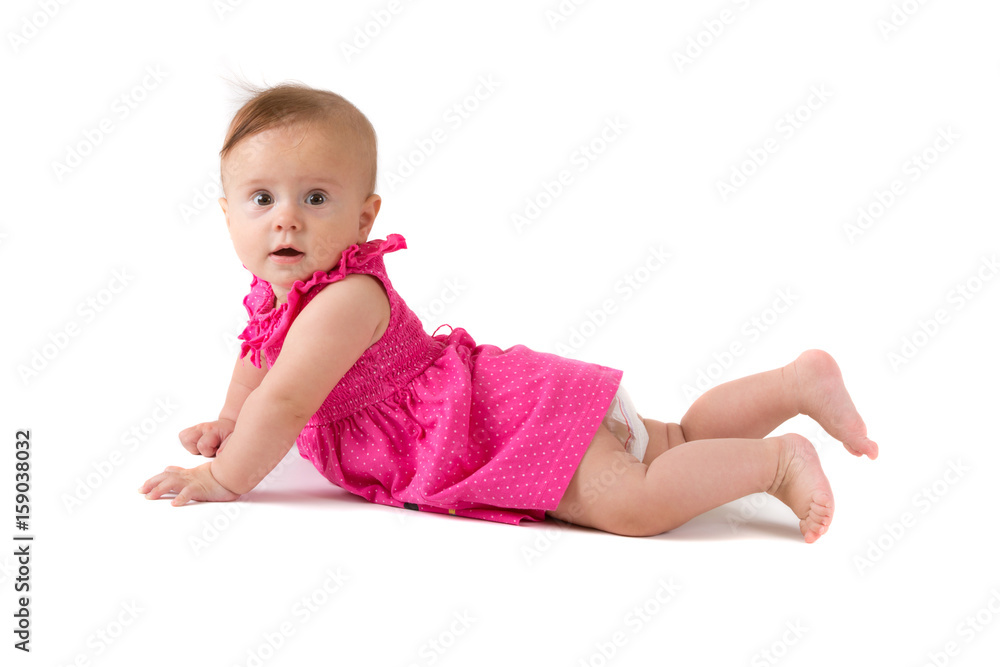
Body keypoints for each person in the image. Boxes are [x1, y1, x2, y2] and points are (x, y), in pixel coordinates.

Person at [139, 83, 878, 542]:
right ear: (227, 215)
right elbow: (257, 360)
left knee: (634, 503)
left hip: (497, 425)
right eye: (261, 199)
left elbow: (287, 397)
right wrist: (229, 419)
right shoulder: (278, 296)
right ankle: (794, 383)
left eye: (315, 198)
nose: (287, 220)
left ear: (364, 217)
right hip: (512, 403)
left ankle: (776, 462)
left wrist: (226, 478)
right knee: (672, 439)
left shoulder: (344, 299)